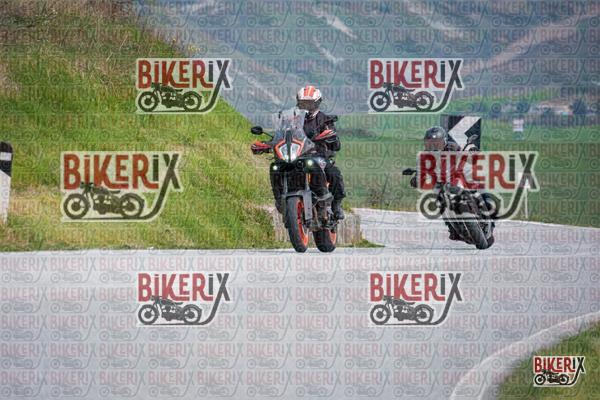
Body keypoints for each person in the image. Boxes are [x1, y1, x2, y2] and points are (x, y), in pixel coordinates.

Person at [254, 86, 346, 220]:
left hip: (318, 155)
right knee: (276, 166)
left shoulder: (325, 119)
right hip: (296, 154)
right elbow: (281, 135)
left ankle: (336, 204)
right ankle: (279, 198)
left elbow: (335, 143)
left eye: (310, 103)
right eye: (303, 102)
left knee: (333, 173)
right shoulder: (291, 119)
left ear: (317, 103)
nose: (306, 105)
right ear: (298, 103)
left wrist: (331, 137)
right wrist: (267, 144)